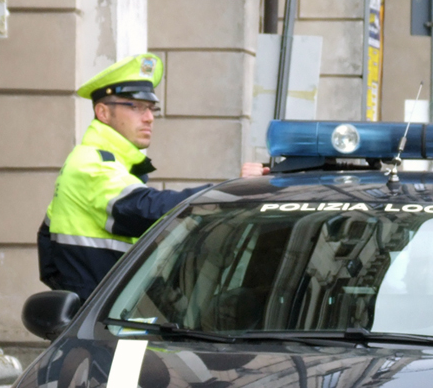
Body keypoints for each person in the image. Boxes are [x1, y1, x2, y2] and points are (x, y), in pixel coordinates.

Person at [38, 54, 266, 300]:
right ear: (103, 112)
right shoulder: (91, 163)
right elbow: (145, 209)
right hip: (98, 321)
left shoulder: (113, 165)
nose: (148, 117)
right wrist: (232, 190)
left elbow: (48, 248)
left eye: (150, 108)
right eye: (135, 107)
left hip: (104, 313)